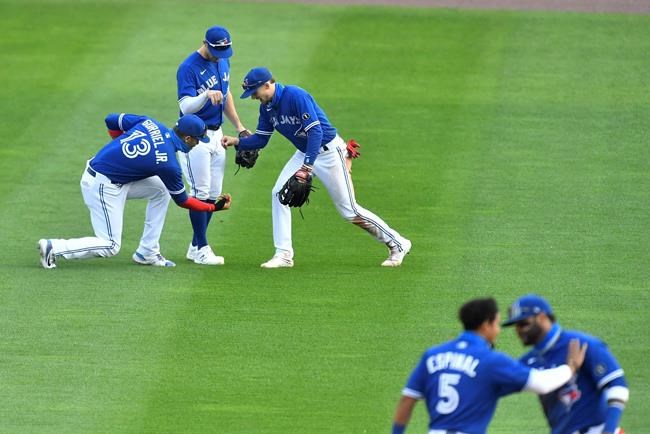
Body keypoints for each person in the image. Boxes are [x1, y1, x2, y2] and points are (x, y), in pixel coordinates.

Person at [221, 67, 411, 268]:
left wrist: (307, 167)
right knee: (278, 194)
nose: (253, 97)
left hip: (329, 153)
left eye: (254, 92)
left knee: (350, 210)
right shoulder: (266, 108)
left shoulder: (295, 96)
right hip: (305, 152)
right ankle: (284, 254)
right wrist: (237, 142)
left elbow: (316, 133)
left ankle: (398, 244)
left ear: (267, 85)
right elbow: (261, 139)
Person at [37, 113, 232, 269]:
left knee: (161, 190)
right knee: (110, 246)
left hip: (108, 175)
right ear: (187, 138)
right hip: (102, 186)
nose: (198, 144)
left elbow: (111, 120)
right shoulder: (169, 164)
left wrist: (118, 147)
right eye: (197, 140)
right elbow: (182, 201)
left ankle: (147, 252)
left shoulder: (150, 123)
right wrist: (213, 208)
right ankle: (54, 247)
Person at [392, 297, 588, 434]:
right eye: (496, 324)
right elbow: (541, 383)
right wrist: (570, 368)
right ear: (486, 325)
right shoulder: (491, 361)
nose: (498, 330)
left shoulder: (433, 354)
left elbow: (407, 399)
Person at [176, 25, 249, 266]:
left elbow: (225, 94)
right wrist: (205, 95)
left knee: (212, 194)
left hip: (217, 136)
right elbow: (186, 107)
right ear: (205, 43)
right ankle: (202, 248)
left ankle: (195, 245)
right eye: (217, 50)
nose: (221, 55)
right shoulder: (188, 68)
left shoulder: (222, 61)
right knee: (200, 192)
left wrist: (238, 126)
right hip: (194, 137)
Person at [503, 294, 629, 434]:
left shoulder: (582, 344)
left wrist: (609, 430)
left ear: (542, 318)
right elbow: (498, 384)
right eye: (516, 326)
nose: (518, 331)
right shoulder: (529, 361)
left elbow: (617, 386)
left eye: (523, 324)